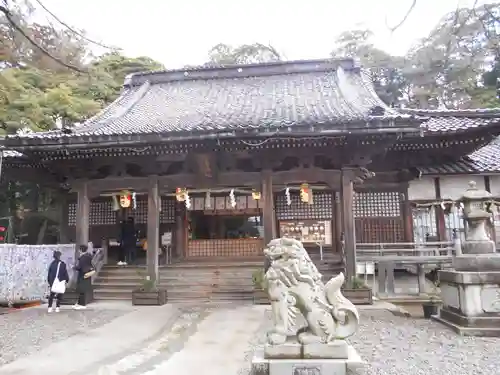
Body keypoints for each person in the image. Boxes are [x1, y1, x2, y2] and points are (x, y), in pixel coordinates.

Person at [73, 244, 93, 310]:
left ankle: (82, 304)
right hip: (87, 274)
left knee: (82, 290)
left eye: (79, 249)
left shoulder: (82, 258)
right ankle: (79, 303)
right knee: (82, 290)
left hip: (82, 275)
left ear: (81, 250)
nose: (78, 251)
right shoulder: (89, 256)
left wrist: (73, 267)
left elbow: (79, 267)